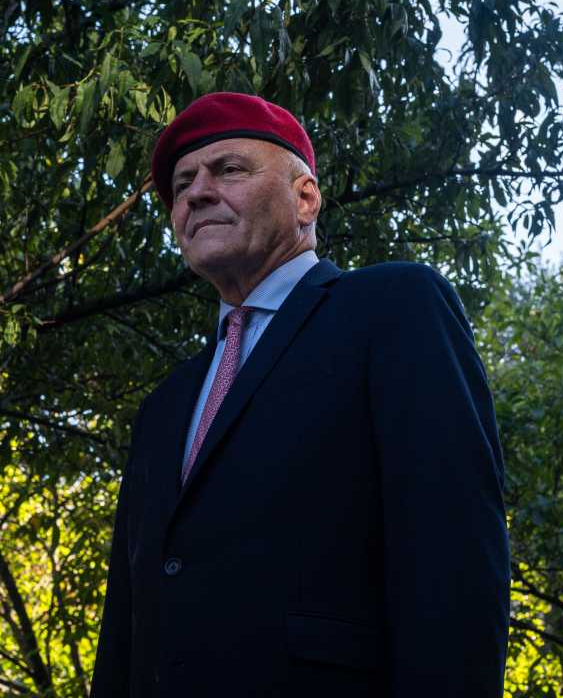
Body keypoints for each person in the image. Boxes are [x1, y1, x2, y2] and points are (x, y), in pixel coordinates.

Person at [90, 92, 509, 697]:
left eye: (228, 169)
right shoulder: (164, 406)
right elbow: (126, 624)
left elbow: (455, 557)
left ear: (305, 197)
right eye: (182, 185)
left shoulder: (392, 307)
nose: (196, 193)